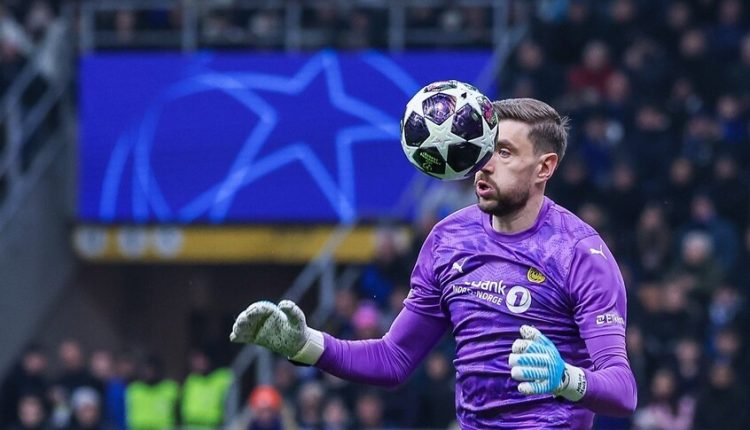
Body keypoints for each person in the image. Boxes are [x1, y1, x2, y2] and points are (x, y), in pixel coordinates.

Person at [230, 98, 637, 429]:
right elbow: (393, 359)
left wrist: (565, 378)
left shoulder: (580, 254)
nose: (484, 163)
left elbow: (623, 390)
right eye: (483, 148)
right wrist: (304, 344)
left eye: (504, 152)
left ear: (544, 167)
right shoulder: (448, 239)